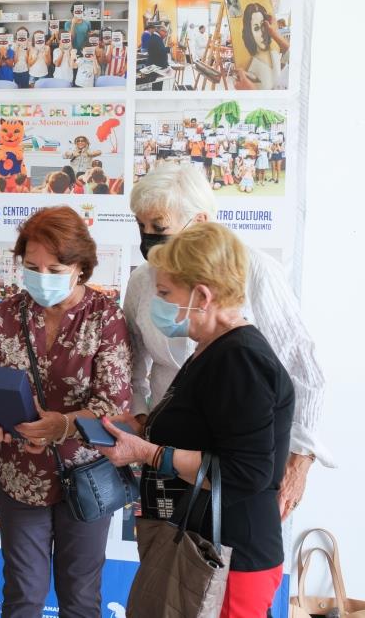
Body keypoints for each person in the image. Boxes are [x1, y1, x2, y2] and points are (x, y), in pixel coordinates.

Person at [97, 222, 294, 617]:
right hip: (199, 548)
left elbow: (245, 471)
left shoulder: (241, 360)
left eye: (166, 293)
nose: (158, 301)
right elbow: (205, 431)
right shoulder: (214, 348)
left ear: (202, 295)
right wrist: (142, 427)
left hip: (228, 559)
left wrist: (149, 453)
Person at [124, 163, 330, 521]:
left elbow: (304, 369)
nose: (148, 238)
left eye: (159, 227)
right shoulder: (142, 280)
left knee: (223, 567)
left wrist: (298, 461)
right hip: (165, 454)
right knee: (165, 566)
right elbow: (131, 363)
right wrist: (143, 421)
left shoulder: (256, 271)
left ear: (200, 221)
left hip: (236, 463)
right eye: (141, 227)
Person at [0, 206, 132, 618]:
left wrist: (62, 425)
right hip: (19, 476)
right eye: (32, 266)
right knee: (23, 595)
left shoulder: (105, 316)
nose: (41, 277)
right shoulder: (4, 315)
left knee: (80, 598)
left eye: (55, 268)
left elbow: (115, 406)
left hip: (87, 475)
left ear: (80, 268)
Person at [235, 3, 290, 90]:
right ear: (249, 33)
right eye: (256, 28)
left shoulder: (275, 54)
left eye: (263, 26)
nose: (263, 32)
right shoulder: (252, 67)